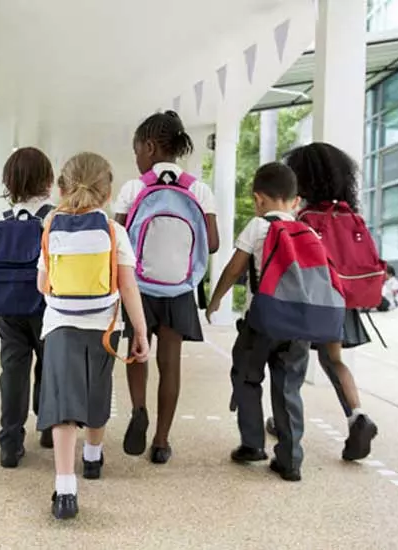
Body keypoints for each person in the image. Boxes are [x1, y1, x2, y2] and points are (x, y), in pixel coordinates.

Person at [37, 152, 149, 520]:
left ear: (62, 188)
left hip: (60, 325)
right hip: (104, 326)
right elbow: (128, 287)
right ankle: (93, 457)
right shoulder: (114, 231)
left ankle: (65, 489)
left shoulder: (51, 226)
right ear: (108, 193)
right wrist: (140, 332)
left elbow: (42, 284)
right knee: (96, 390)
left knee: (63, 405)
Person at [113, 111, 220, 465]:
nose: (137, 159)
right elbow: (213, 243)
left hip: (139, 288)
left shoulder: (134, 188)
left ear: (149, 146)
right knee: (170, 364)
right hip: (179, 289)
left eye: (136, 152)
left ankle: (138, 409)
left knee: (137, 352)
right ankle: (161, 441)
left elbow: (117, 240)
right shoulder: (198, 189)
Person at [206, 163, 311, 482]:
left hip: (261, 321)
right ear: (295, 201)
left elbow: (234, 268)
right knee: (289, 387)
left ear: (258, 198)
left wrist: (216, 299)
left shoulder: (258, 226)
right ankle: (290, 459)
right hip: (298, 325)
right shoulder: (306, 232)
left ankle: (252, 444)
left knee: (246, 377)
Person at [275, 142, 378, 461]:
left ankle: (285, 425)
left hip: (310, 305)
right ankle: (357, 416)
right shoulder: (350, 217)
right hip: (342, 302)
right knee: (334, 361)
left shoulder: (305, 218)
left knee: (292, 366)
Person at [0, 147, 56, 468]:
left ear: (9, 183)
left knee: (12, 370)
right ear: (48, 180)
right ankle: (49, 424)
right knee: (50, 364)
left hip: (8, 307)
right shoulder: (54, 218)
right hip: (45, 306)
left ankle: (10, 442)